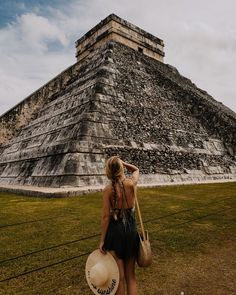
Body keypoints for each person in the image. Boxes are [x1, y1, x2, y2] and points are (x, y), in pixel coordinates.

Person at [99, 156, 140, 295]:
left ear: (109, 171)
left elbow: (105, 218)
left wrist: (102, 240)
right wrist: (124, 163)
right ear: (121, 168)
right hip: (131, 230)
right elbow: (136, 169)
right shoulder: (131, 183)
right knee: (131, 277)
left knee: (119, 277)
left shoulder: (108, 190)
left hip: (115, 233)